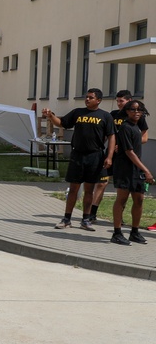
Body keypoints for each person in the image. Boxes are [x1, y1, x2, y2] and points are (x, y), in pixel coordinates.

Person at [43, 88, 115, 230]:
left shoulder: (105, 116)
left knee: (89, 190)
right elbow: (62, 123)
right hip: (78, 155)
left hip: (95, 156)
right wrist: (51, 116)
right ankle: (66, 219)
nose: (87, 99)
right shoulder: (78, 112)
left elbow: (112, 136)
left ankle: (86, 220)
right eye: (86, 97)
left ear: (98, 100)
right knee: (74, 188)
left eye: (91, 97)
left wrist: (109, 156)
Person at [89, 89, 149, 223]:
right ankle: (92, 214)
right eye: (117, 101)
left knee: (123, 189)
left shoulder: (137, 116)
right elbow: (107, 134)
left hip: (126, 158)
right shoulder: (113, 115)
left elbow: (144, 137)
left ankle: (119, 219)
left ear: (129, 101)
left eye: (121, 101)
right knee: (102, 182)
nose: (118, 104)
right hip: (110, 154)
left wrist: (126, 144)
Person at [109, 100, 153, 245]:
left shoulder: (136, 127)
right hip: (124, 168)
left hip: (136, 169)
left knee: (139, 199)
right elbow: (129, 152)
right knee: (122, 199)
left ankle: (134, 232)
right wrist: (146, 170)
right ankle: (117, 233)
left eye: (139, 110)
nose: (136, 112)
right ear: (127, 111)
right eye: (133, 110)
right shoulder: (125, 127)